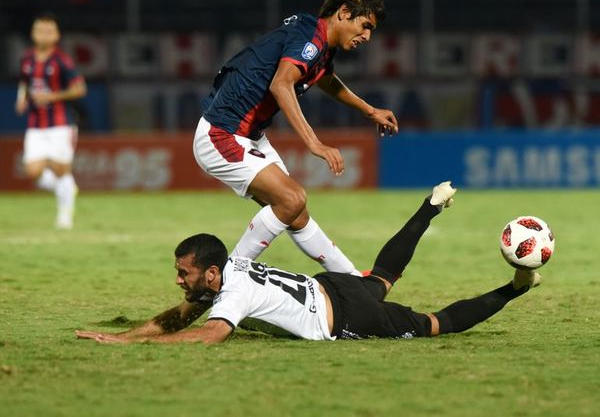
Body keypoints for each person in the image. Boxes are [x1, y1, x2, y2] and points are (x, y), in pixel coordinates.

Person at [75, 182, 542, 345]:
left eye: (184, 274)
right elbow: (178, 319)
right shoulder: (229, 272)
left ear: (211, 273)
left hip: (347, 317)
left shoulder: (230, 294)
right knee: (380, 276)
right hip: (334, 286)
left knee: (434, 325)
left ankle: (515, 288)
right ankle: (431, 204)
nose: (178, 281)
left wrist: (133, 348)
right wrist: (122, 337)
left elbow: (208, 335)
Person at [194, 0, 398, 275]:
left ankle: (353, 280)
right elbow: (281, 84)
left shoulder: (320, 44)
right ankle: (228, 281)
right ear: (343, 12)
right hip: (222, 134)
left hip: (249, 136)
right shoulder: (310, 38)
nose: (367, 36)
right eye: (365, 25)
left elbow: (325, 78)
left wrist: (368, 110)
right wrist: (315, 144)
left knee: (296, 213)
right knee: (291, 199)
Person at [14, 13, 87, 229]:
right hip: (35, 125)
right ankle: (67, 189)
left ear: (56, 35)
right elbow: (25, 83)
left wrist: (52, 97)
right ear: (33, 34)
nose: (44, 34)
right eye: (40, 30)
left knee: (60, 169)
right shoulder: (26, 59)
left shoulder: (61, 60)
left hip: (60, 124)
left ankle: (64, 215)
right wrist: (22, 99)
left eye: (49, 31)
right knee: (32, 171)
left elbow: (79, 89)